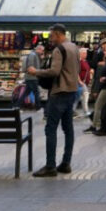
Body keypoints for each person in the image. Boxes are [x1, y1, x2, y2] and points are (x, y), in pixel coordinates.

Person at [32, 24, 80, 176]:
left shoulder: (59, 49)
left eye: (51, 35)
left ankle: (50, 165)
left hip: (59, 92)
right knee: (68, 129)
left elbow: (54, 71)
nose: (50, 39)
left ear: (59, 34)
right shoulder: (74, 47)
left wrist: (36, 72)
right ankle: (66, 163)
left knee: (50, 128)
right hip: (71, 91)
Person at [21, 44, 46, 111]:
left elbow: (39, 66)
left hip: (32, 77)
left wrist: (42, 59)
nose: (42, 52)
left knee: (26, 93)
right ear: (38, 49)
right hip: (32, 77)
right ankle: (38, 107)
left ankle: (18, 106)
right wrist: (35, 73)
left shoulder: (36, 56)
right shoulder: (33, 55)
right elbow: (30, 67)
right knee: (36, 92)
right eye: (42, 50)